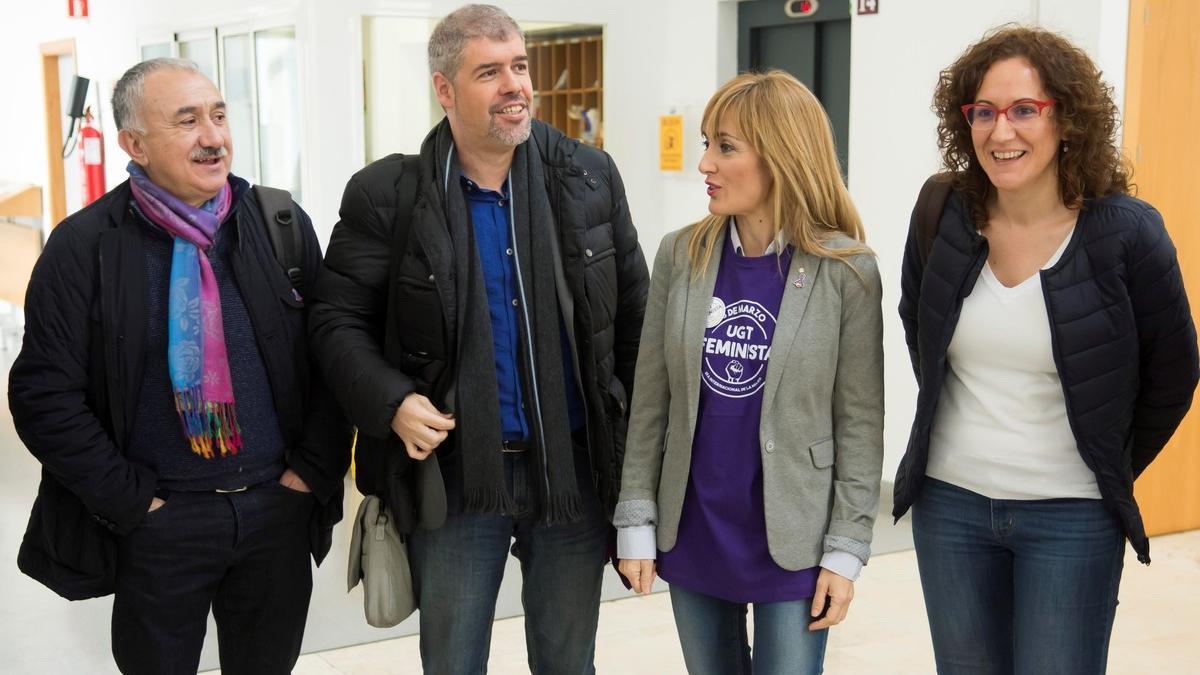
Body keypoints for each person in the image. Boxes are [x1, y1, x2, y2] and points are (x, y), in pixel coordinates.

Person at [307, 4, 648, 673]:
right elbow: (334, 321)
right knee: (454, 661)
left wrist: (635, 468)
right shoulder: (386, 193)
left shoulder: (589, 176)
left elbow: (632, 317)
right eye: (489, 72)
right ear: (444, 90)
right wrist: (391, 401)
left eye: (519, 66)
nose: (514, 84)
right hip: (456, 479)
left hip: (572, 472)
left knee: (568, 662)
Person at [8, 58, 351, 674]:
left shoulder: (280, 226)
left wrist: (310, 474)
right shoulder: (87, 247)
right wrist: (136, 505)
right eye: (187, 120)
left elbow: (330, 357)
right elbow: (43, 395)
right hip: (161, 524)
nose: (213, 136)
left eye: (219, 115)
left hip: (275, 510)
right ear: (134, 144)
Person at [894, 25, 1199, 674]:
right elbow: (919, 322)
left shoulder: (1127, 233)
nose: (1001, 133)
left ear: (1069, 117)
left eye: (1025, 110)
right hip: (950, 506)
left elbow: (1173, 373)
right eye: (983, 111)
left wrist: (1101, 461)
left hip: (1072, 515)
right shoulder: (941, 209)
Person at [614, 69, 884, 675]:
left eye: (725, 147)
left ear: (783, 157)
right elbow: (650, 403)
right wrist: (635, 518)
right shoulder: (681, 254)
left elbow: (860, 425)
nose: (705, 162)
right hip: (695, 524)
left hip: (795, 537)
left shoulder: (848, 270)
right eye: (707, 143)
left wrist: (847, 549)